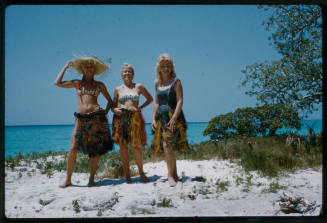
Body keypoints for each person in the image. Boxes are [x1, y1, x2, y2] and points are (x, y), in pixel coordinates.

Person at [54, 56, 113, 188]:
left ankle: (91, 179)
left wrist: (106, 111)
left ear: (94, 69)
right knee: (73, 148)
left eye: (91, 66)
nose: (89, 68)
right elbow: (57, 83)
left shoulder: (99, 85)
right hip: (80, 119)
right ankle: (68, 179)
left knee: (94, 150)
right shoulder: (77, 83)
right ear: (82, 69)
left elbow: (110, 101)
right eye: (86, 66)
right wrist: (65, 67)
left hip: (96, 118)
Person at [112, 63, 153, 183]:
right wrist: (114, 109)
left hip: (135, 118)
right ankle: (128, 175)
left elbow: (150, 99)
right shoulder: (117, 89)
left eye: (129, 71)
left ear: (133, 74)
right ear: (121, 74)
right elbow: (113, 105)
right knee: (123, 147)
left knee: (136, 147)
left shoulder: (139, 86)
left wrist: (140, 107)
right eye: (125, 71)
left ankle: (141, 173)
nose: (127, 73)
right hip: (120, 119)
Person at [151, 53, 188, 187]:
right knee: (168, 146)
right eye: (163, 66)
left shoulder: (176, 82)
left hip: (173, 116)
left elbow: (180, 101)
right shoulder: (157, 83)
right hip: (161, 117)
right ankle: (175, 174)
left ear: (171, 67)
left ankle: (170, 176)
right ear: (159, 68)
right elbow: (156, 102)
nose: (165, 68)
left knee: (167, 146)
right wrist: (153, 119)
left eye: (168, 66)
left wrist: (174, 118)